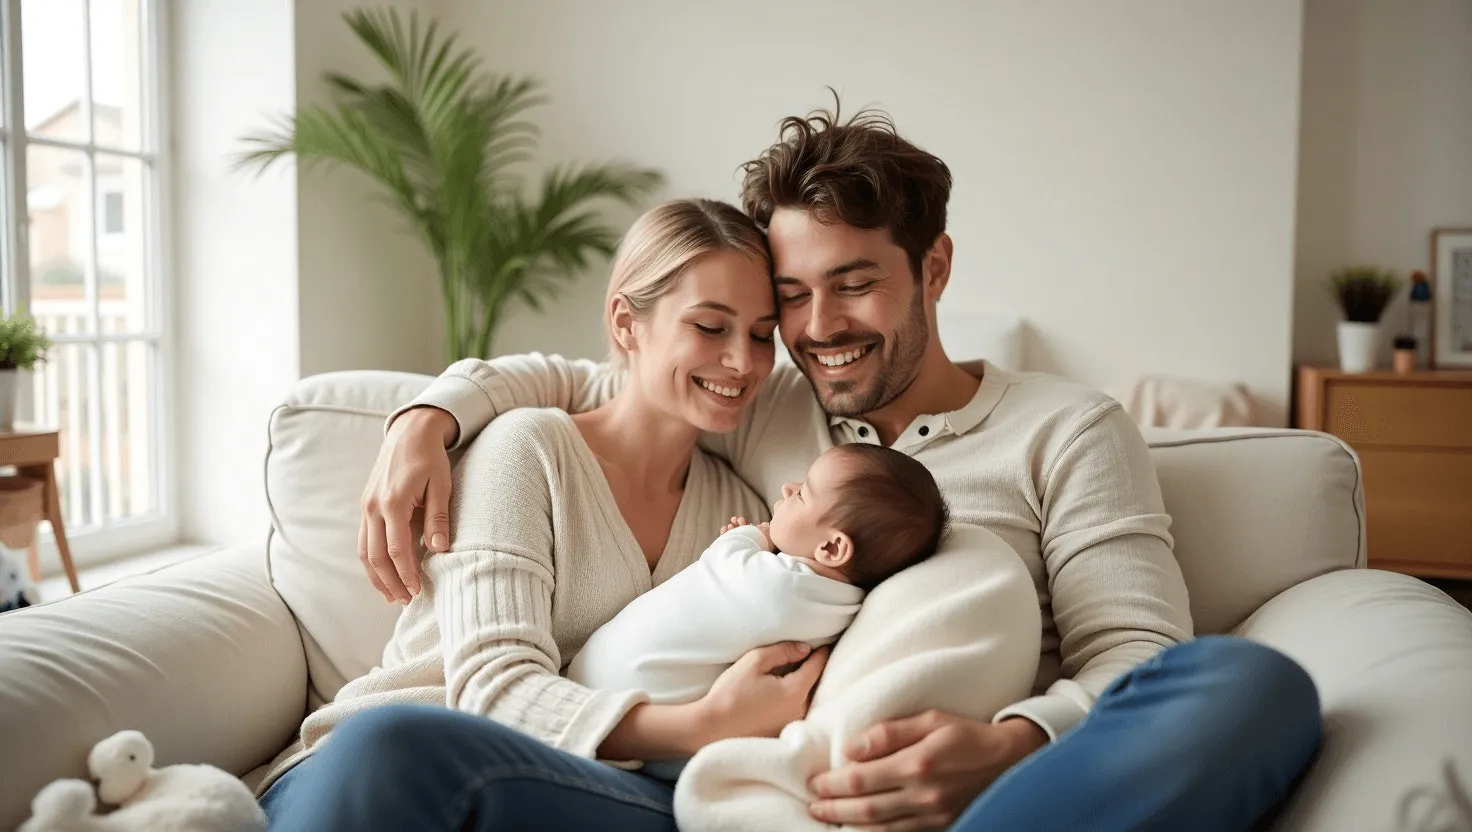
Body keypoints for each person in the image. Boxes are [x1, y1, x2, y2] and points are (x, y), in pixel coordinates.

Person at [362, 102, 1323, 831]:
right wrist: (431, 415)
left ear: (933, 269)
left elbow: (1138, 654)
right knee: (395, 752)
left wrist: (1009, 746)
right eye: (792, 297)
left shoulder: (1067, 428)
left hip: (1001, 796)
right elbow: (606, 376)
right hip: (761, 791)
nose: (818, 330)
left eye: (855, 285)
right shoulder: (769, 400)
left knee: (1250, 687)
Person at [259, 198, 848, 831]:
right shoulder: (529, 448)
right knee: (389, 742)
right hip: (384, 769)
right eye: (710, 327)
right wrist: (700, 725)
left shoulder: (744, 515)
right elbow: (492, 691)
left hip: (587, 790)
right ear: (626, 323)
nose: (744, 361)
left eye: (763, 336)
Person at [567, 443, 950, 780]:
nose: (787, 488)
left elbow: (723, 563)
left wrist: (751, 536)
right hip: (675, 747)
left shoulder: (774, 584)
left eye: (802, 493)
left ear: (831, 549)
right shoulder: (842, 606)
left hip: (607, 689)